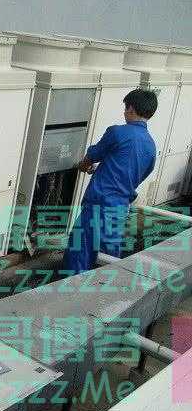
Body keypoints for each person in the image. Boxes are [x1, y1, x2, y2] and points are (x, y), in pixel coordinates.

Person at [63, 88, 158, 274]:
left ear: (131, 108)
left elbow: (92, 155)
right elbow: (138, 172)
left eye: (125, 108)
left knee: (79, 252)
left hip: (99, 204)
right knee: (108, 257)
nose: (124, 112)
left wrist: (83, 165)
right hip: (120, 207)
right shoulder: (150, 145)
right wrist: (104, 170)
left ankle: (73, 289)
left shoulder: (117, 132)